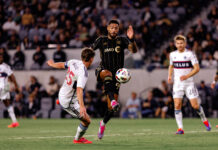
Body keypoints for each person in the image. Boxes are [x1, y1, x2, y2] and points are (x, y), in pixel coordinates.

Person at [91, 19, 138, 139]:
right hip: (102, 70)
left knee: (111, 109)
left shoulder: (122, 40)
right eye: (111, 27)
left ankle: (103, 123)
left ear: (118, 29)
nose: (114, 30)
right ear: (107, 28)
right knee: (106, 73)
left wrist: (132, 39)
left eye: (116, 28)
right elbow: (89, 51)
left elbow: (134, 50)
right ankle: (112, 100)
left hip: (117, 75)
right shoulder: (101, 40)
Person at [47, 47, 95, 144]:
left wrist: (52, 64)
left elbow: (62, 65)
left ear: (82, 57)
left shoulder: (74, 62)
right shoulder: (84, 72)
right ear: (91, 59)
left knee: (68, 96)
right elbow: (79, 90)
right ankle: (77, 139)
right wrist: (82, 106)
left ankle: (60, 101)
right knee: (87, 121)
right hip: (68, 101)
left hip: (62, 93)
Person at [168, 35, 211, 134]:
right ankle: (180, 128)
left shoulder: (190, 54)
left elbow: (197, 68)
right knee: (177, 104)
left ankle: (205, 120)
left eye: (181, 43)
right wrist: (169, 76)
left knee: (195, 106)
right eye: (178, 43)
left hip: (189, 84)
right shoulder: (172, 54)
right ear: (175, 44)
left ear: (185, 43)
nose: (180, 45)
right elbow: (171, 66)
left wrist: (187, 76)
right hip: (177, 84)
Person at [0, 53, 19, 128]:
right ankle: (15, 122)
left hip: (3, 87)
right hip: (4, 87)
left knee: (7, 103)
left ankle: (15, 122)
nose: (1, 58)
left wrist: (16, 86)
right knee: (7, 103)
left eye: (2, 57)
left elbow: (12, 76)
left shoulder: (5, 66)